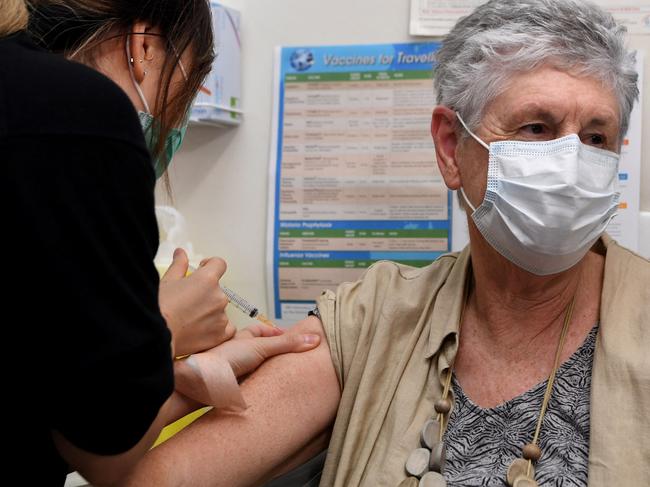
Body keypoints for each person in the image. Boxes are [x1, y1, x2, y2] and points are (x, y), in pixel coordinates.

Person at [122, 0, 649, 486]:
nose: (570, 164)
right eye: (536, 127)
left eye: (596, 137)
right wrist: (167, 356)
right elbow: (152, 478)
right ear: (450, 147)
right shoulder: (373, 320)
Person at [1, 0, 320, 485]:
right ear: (144, 45)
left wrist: (196, 372)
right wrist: (168, 325)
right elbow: (102, 449)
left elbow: (58, 415)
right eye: (185, 87)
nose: (176, 122)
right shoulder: (79, 116)